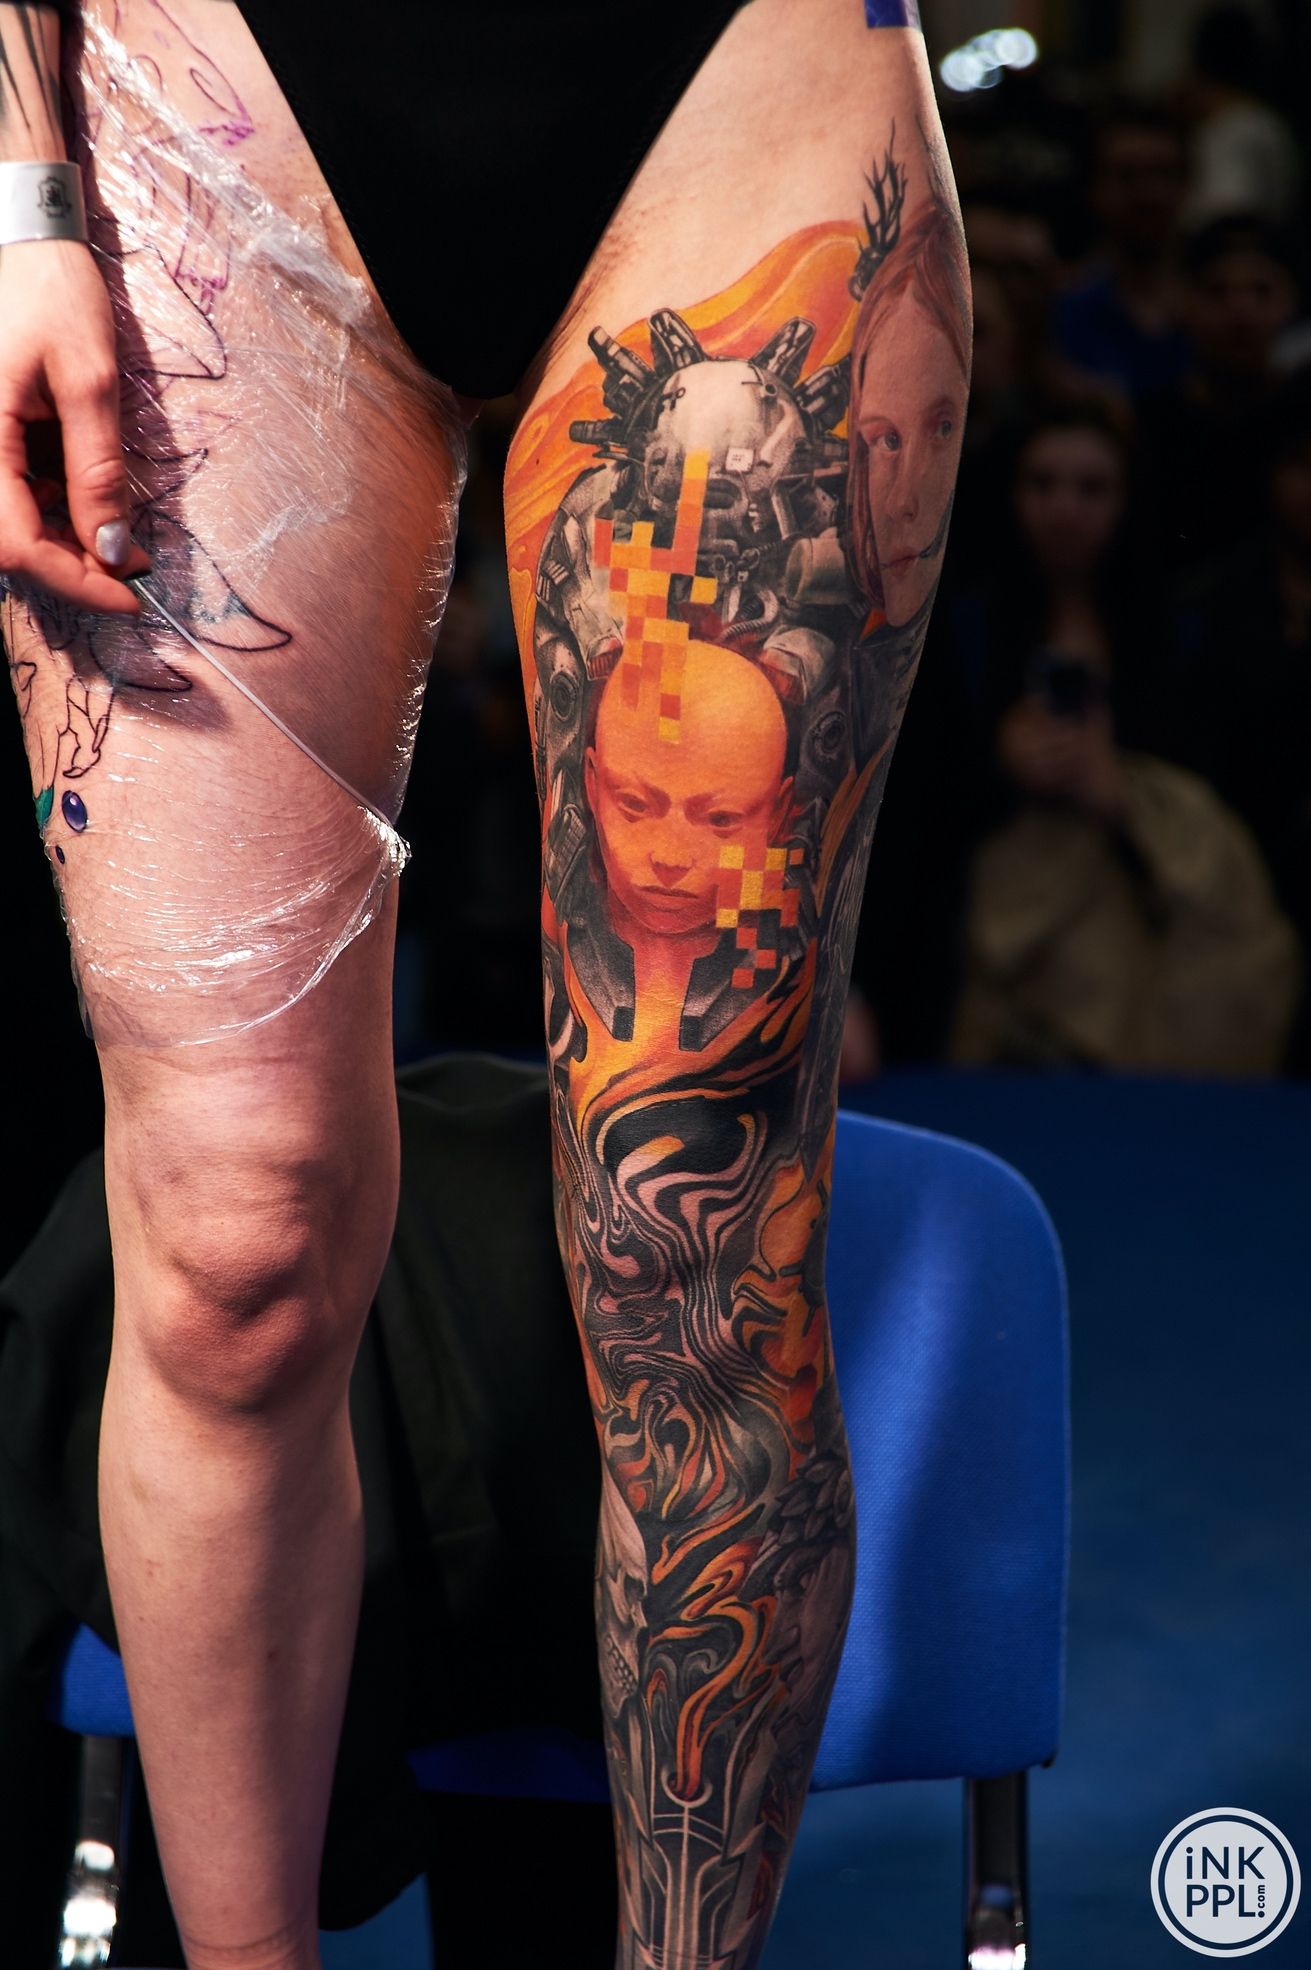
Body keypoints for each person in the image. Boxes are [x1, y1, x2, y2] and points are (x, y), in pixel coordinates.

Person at [0, 8, 968, 1970]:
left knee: (701, 1246)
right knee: (229, 1238)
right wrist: (15, 202)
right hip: (210, 79)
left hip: (734, 81)